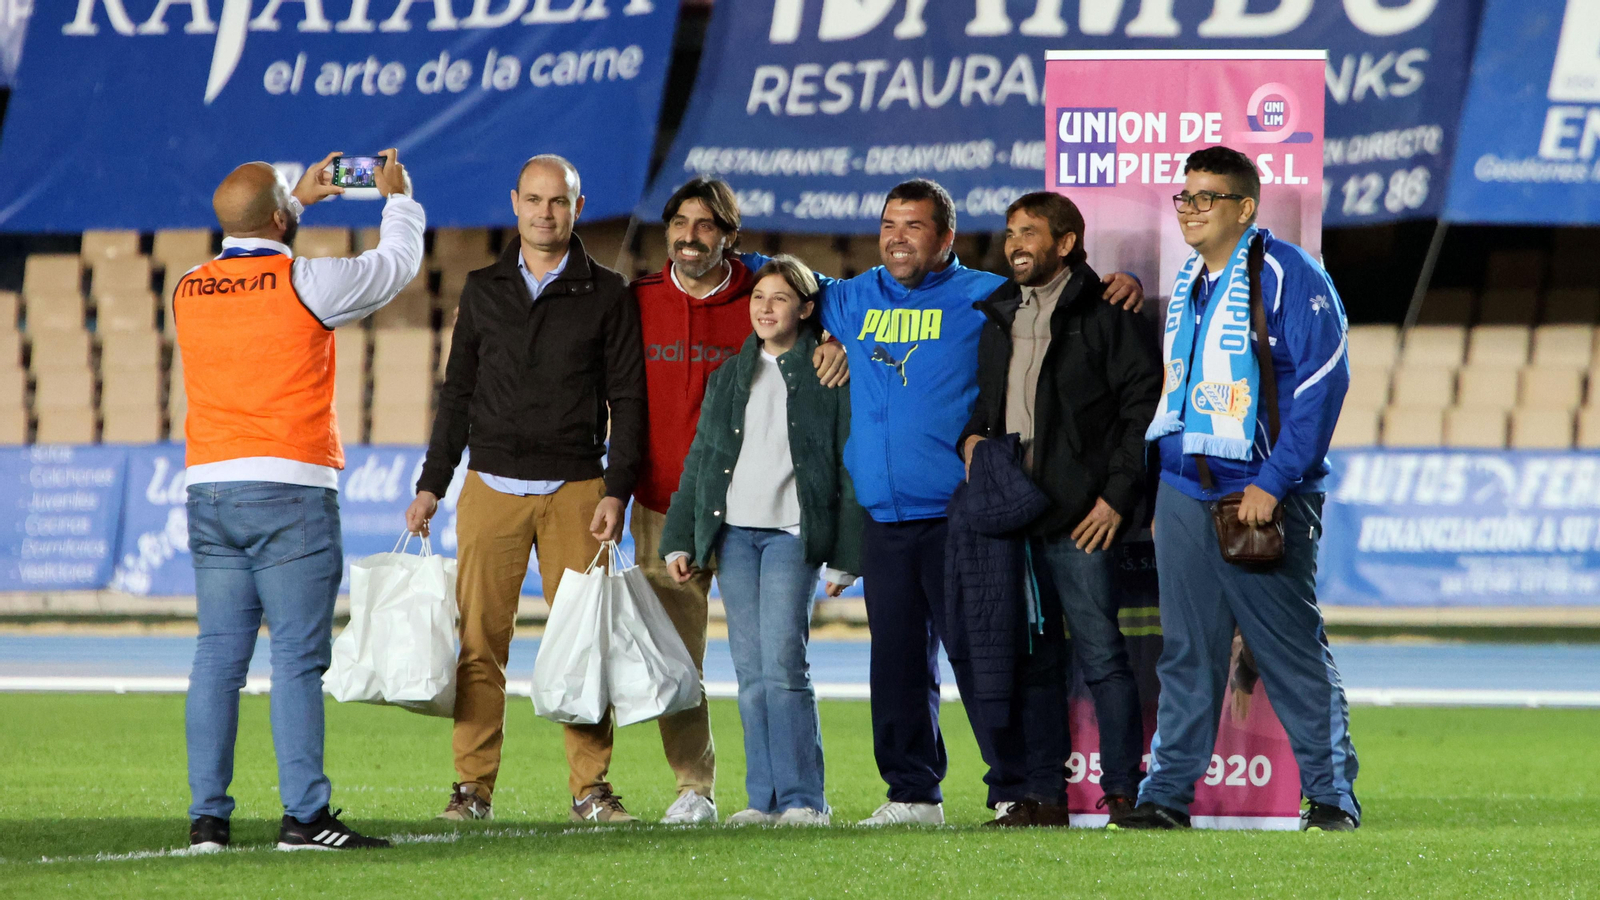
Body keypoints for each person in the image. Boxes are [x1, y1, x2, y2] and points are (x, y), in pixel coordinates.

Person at [744, 179, 1143, 825]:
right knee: (896, 664)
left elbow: (1062, 295)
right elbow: (777, 282)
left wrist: (1113, 284)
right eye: (889, 225)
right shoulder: (847, 299)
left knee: (987, 654)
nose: (898, 237)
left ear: (946, 237)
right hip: (885, 518)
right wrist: (827, 337)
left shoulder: (986, 295)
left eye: (914, 225)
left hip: (963, 516)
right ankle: (912, 793)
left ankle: (1016, 786)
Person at [179, 149, 422, 852]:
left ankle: (208, 821)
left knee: (217, 660)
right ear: (283, 218)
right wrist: (397, 198)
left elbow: (248, 243)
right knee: (295, 660)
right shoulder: (306, 282)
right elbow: (396, 265)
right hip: (289, 489)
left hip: (209, 489)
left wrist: (298, 203)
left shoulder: (188, 286)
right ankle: (305, 818)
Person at [1120, 146, 1359, 832]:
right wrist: (1167, 486)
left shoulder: (1290, 274)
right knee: (1187, 651)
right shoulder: (1194, 282)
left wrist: (1274, 482)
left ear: (1245, 207)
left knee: (1287, 650)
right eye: (1184, 197)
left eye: (1206, 197)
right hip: (1186, 491)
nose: (1189, 209)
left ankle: (1333, 797)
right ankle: (1167, 798)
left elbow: (1322, 383)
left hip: (1260, 496)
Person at [405, 155, 646, 824]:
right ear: (515, 203)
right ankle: (472, 788)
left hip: (578, 489)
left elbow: (628, 399)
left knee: (583, 646)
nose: (546, 212)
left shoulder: (610, 292)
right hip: (490, 488)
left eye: (559, 201)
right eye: (534, 200)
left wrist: (616, 489)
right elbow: (459, 393)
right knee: (480, 645)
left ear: (578, 205)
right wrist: (433, 484)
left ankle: (590, 789)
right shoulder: (483, 289)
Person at [627, 177, 848, 824]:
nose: (690, 236)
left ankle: (803, 798)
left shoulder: (789, 327)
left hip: (784, 531)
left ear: (729, 237)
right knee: (725, 668)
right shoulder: (656, 314)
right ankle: (730, 794)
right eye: (681, 223)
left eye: (706, 225)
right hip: (696, 517)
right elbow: (699, 453)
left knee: (782, 664)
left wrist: (839, 345)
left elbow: (830, 297)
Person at [958, 191, 1163, 827]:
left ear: (1066, 242)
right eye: (1011, 232)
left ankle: (1123, 794)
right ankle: (1044, 796)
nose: (1015, 243)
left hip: (1082, 522)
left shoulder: (1107, 313)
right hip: (1014, 521)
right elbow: (988, 408)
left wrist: (1114, 501)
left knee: (1103, 658)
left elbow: (1140, 416)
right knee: (1035, 663)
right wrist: (969, 439)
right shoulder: (997, 313)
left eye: (1030, 233)